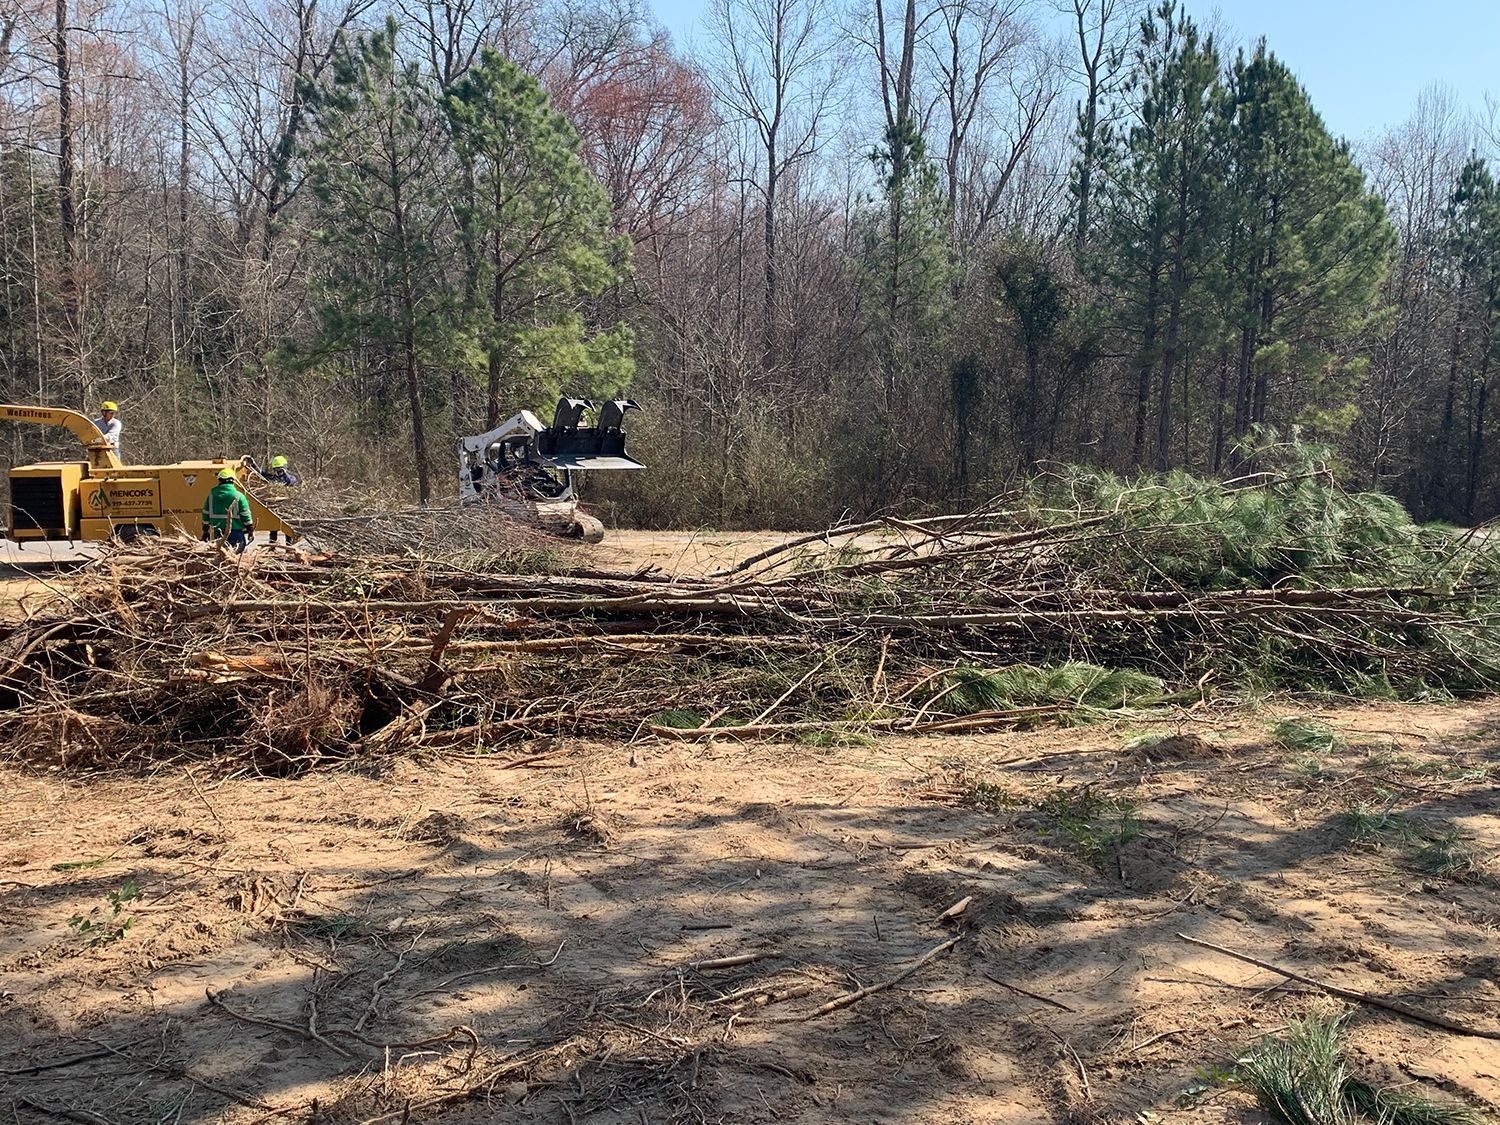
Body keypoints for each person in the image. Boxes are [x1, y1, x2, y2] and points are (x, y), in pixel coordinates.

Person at [201, 468, 254, 553]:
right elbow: (245, 514)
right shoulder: (238, 496)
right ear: (233, 481)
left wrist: (205, 530)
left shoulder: (211, 496)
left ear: (220, 481)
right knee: (237, 554)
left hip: (218, 532)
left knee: (221, 555)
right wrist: (250, 529)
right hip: (235, 532)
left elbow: (205, 513)